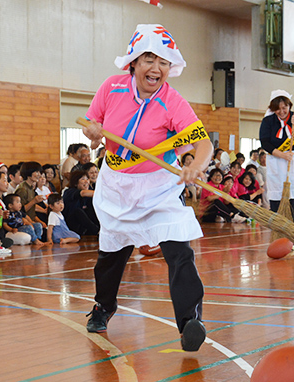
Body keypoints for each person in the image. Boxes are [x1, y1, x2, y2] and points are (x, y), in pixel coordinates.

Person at [81, 24, 213, 351]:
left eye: (164, 62)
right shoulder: (111, 88)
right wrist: (94, 135)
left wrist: (194, 166)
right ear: (134, 63)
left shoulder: (172, 101)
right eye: (149, 59)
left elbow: (203, 144)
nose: (156, 68)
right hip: (117, 184)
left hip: (158, 187)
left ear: (171, 69)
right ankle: (103, 307)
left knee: (179, 251)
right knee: (111, 256)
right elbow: (93, 126)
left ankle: (190, 322)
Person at [259, 89, 294, 224]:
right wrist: (282, 155)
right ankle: (279, 237)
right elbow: (265, 143)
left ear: (289, 106)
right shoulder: (268, 121)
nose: (282, 111)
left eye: (284, 107)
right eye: (278, 109)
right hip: (276, 160)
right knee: (277, 198)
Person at [63, 170, 99, 235]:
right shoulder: (69, 192)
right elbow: (83, 193)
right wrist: (104, 194)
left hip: (84, 226)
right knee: (78, 211)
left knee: (94, 209)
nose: (86, 181)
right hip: (70, 225)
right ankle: (98, 232)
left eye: (87, 179)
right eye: (83, 179)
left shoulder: (89, 192)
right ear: (75, 183)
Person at [15, 161, 47, 229]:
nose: (39, 175)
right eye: (36, 172)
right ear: (28, 172)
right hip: (23, 222)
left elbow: (31, 211)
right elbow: (20, 211)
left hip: (31, 220)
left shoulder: (31, 188)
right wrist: (34, 201)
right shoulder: (22, 189)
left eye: (39, 172)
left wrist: (39, 221)